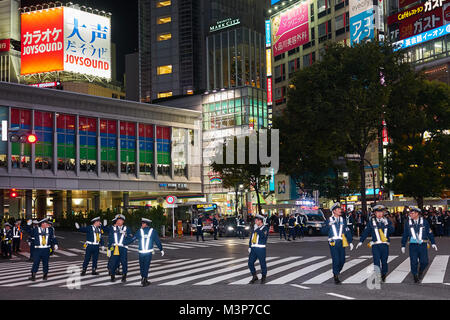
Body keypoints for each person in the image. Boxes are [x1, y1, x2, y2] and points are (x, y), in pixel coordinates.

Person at [356, 205, 394, 282]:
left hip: (384, 245)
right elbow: (366, 232)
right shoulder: (371, 222)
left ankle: (384, 273)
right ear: (375, 213)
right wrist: (361, 241)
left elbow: (392, 231)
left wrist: (387, 224)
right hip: (375, 245)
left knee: (384, 261)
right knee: (376, 261)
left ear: (383, 213)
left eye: (381, 212)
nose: (379, 214)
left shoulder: (387, 221)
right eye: (377, 212)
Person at [401, 207, 438, 283]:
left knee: (425, 261)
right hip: (413, 245)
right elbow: (405, 234)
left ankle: (420, 271)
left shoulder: (424, 222)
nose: (410, 214)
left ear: (417, 213)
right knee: (413, 261)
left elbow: (429, 232)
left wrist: (433, 243)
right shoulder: (407, 222)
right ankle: (415, 275)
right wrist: (403, 245)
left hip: (422, 245)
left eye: (412, 213)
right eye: (410, 213)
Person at [322, 203, 354, 284]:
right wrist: (328, 226)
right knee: (336, 259)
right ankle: (336, 275)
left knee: (342, 260)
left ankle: (336, 272)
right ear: (334, 211)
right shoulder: (329, 220)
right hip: (333, 242)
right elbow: (323, 231)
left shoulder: (342, 220)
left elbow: (347, 231)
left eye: (340, 209)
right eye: (338, 209)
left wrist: (350, 242)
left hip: (341, 242)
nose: (340, 210)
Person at [129, 218, 164, 286]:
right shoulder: (153, 231)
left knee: (142, 266)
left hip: (141, 252)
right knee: (146, 266)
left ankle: (143, 278)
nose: (141, 224)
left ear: (146, 224)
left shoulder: (140, 231)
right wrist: (161, 249)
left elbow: (133, 239)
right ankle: (144, 279)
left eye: (143, 223)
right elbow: (157, 241)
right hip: (148, 252)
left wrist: (125, 242)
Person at [107, 214, 133, 282]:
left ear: (123, 221)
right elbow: (110, 239)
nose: (119, 221)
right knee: (114, 262)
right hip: (115, 247)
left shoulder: (126, 228)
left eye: (120, 220)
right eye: (118, 220)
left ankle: (124, 276)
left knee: (124, 262)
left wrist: (126, 234)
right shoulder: (113, 228)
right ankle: (112, 276)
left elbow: (131, 238)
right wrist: (109, 249)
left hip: (123, 248)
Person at [248, 214, 269, 284]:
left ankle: (263, 276)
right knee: (250, 263)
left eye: (256, 221)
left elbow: (263, 236)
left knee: (262, 263)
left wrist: (257, 229)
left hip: (260, 248)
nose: (255, 222)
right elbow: (251, 237)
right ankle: (254, 276)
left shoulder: (265, 228)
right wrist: (250, 246)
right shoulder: (255, 228)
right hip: (253, 248)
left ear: (260, 221)